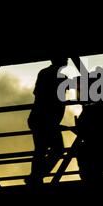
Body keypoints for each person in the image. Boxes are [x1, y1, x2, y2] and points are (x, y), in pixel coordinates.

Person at [26, 57, 68, 185]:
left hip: (39, 117)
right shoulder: (61, 77)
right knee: (57, 149)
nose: (66, 60)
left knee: (40, 149)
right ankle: (37, 176)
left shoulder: (43, 73)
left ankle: (36, 177)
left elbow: (37, 93)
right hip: (48, 120)